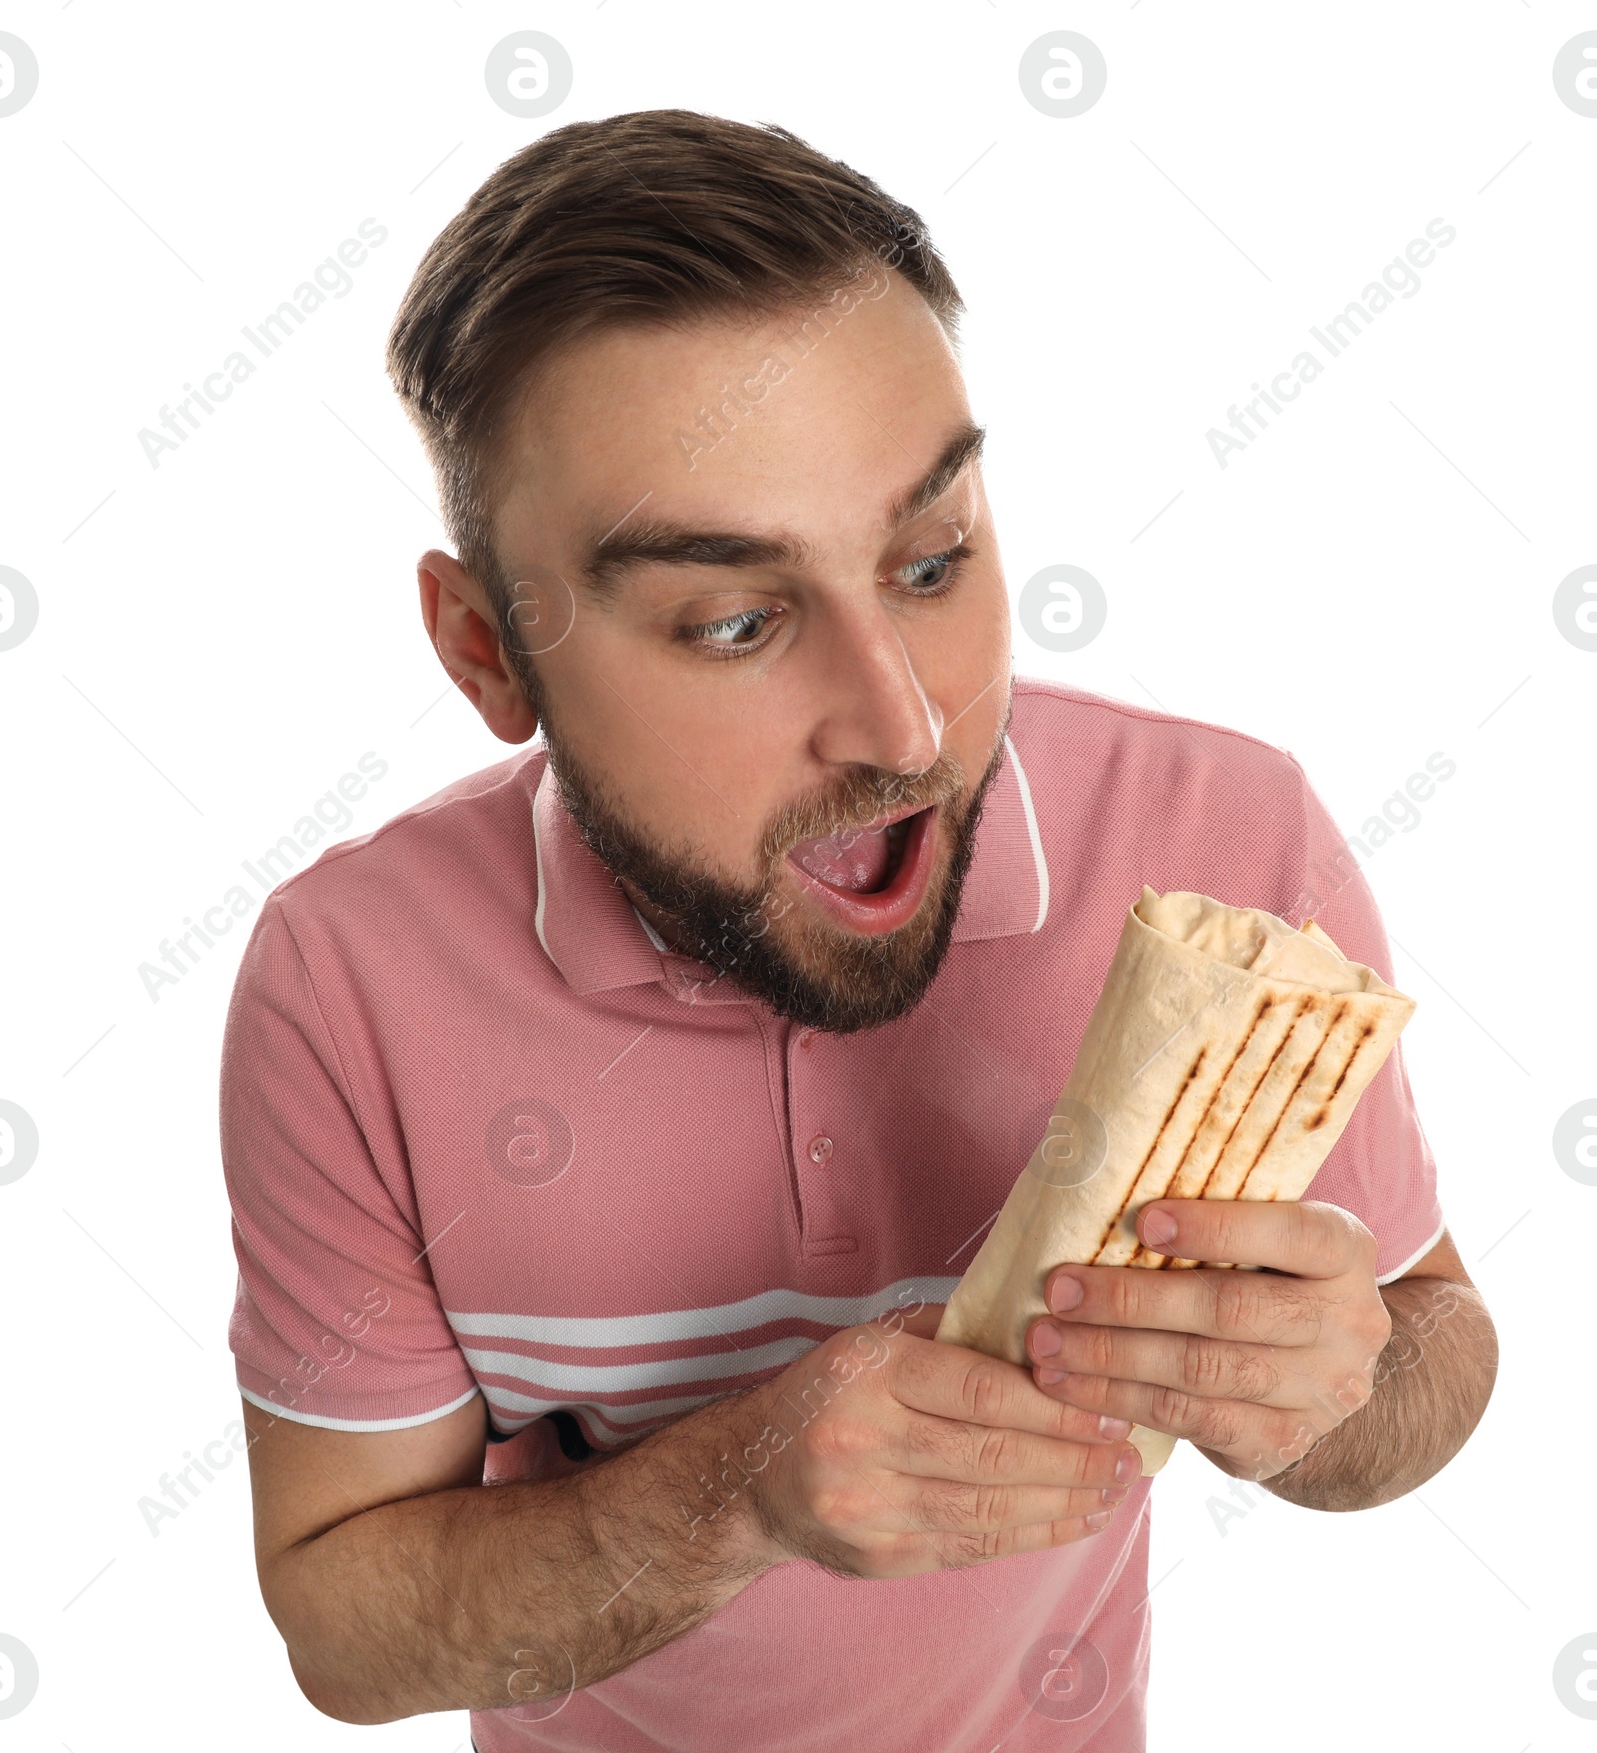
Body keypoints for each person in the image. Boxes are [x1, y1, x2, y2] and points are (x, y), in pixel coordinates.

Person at [222, 109, 1496, 1751]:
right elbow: (344, 1626)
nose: (905, 725)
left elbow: (1430, 1343)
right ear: (488, 652)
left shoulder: (1227, 846)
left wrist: (1323, 1391)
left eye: (931, 557)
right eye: (736, 619)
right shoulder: (348, 985)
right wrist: (738, 1491)